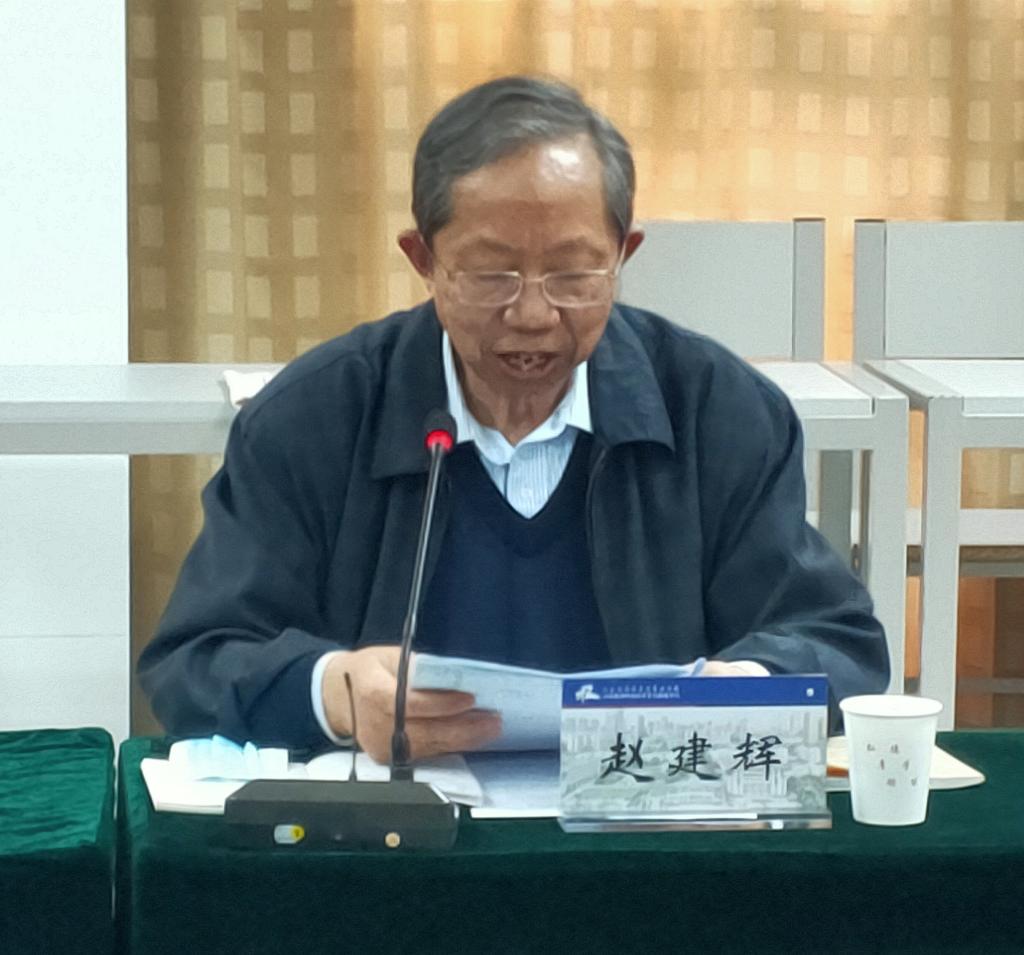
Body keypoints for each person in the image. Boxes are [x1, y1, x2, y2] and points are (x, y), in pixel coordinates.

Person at [138, 76, 888, 762]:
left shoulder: (718, 411)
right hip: (401, 842)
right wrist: (332, 690)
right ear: (423, 260)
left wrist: (750, 681)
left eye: (573, 274)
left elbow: (839, 641)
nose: (532, 313)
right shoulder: (314, 417)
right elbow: (193, 662)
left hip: (641, 832)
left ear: (623, 254)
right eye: (490, 274)